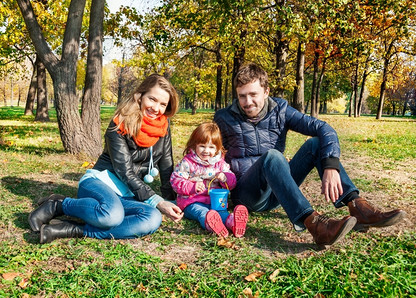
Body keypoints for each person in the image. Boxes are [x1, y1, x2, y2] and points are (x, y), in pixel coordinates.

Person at [213, 63, 406, 247]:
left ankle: (357, 205)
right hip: (247, 195)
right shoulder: (223, 117)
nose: (247, 102)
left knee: (314, 144)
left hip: (279, 192)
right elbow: (206, 150)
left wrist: (331, 165)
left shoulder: (280, 110)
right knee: (273, 156)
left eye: (253, 95)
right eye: (242, 96)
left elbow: (324, 128)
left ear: (266, 91)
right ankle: (315, 224)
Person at [28, 74, 184, 244]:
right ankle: (58, 204)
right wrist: (157, 201)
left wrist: (172, 201)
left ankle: (75, 229)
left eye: (163, 104)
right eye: (152, 99)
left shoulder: (163, 126)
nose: (156, 108)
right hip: (100, 182)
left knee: (153, 217)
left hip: (129, 193)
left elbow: (166, 164)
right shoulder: (119, 124)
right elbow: (125, 172)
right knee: (112, 216)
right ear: (140, 96)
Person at [170, 122, 248, 238]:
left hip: (215, 201)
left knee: (221, 213)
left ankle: (232, 223)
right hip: (192, 202)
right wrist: (192, 187)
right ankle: (210, 224)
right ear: (194, 144)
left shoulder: (219, 164)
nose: (206, 151)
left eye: (211, 147)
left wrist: (225, 178)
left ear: (217, 148)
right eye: (202, 146)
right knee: (202, 213)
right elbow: (176, 181)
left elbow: (232, 183)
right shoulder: (188, 163)